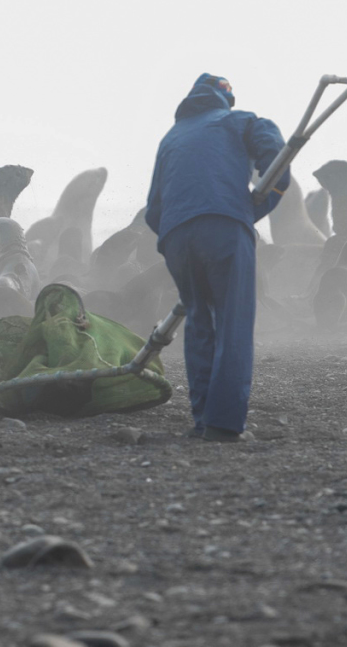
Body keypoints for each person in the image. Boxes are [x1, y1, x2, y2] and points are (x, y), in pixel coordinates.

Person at [145, 74, 289, 442]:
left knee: (199, 321)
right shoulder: (241, 120)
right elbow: (277, 160)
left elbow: (153, 211)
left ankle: (201, 418)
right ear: (227, 98)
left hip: (175, 236)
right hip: (224, 226)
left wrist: (178, 235)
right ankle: (224, 424)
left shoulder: (170, 139)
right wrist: (251, 211)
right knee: (232, 322)